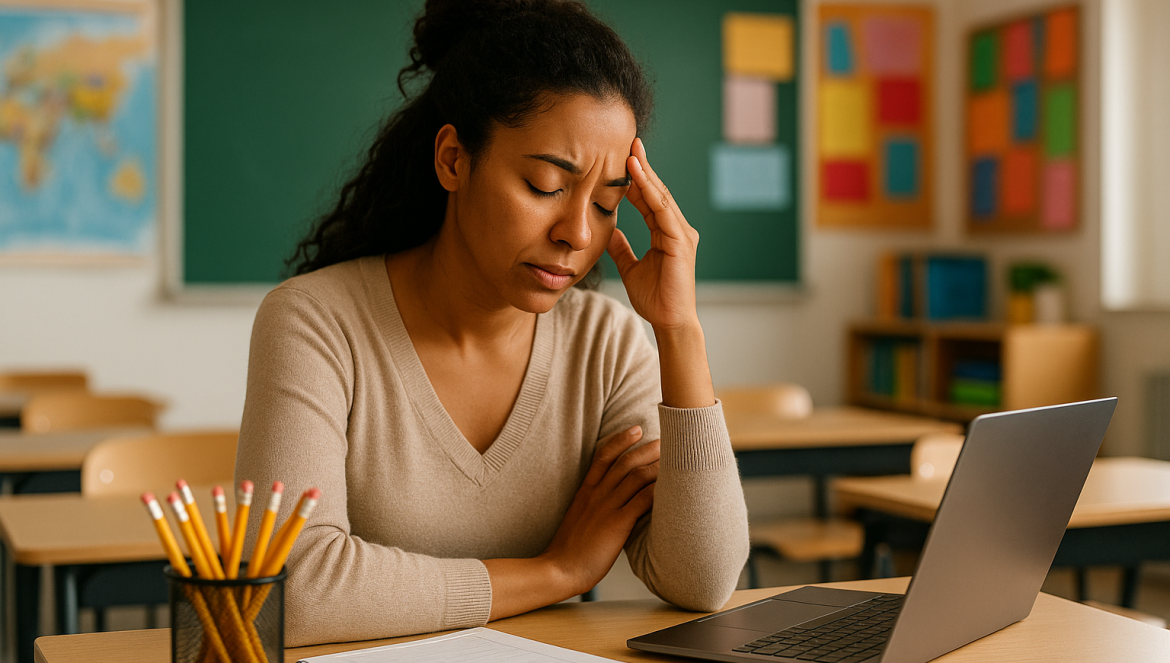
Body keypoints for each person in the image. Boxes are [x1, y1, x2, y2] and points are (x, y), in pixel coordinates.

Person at [235, 0, 749, 647]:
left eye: (608, 202)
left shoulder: (607, 344)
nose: (577, 233)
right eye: (543, 185)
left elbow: (702, 579)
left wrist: (679, 329)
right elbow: (285, 589)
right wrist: (555, 572)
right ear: (453, 159)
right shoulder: (315, 323)